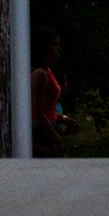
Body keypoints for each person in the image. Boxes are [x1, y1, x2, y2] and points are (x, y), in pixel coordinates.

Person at [30, 27, 77, 157]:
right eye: (54, 44)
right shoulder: (40, 74)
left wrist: (61, 119)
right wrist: (57, 139)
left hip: (48, 129)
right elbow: (37, 112)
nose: (58, 49)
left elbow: (47, 109)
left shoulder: (47, 71)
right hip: (41, 132)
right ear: (43, 47)